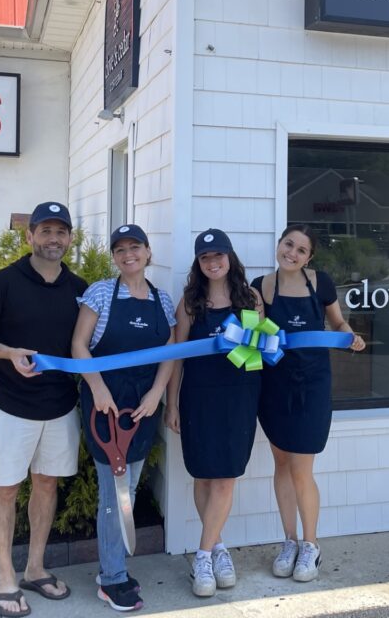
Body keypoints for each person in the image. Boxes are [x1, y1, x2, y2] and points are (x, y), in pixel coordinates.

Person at [0, 202, 87, 618]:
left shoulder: (80, 289)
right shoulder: (3, 283)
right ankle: (5, 577)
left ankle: (35, 567)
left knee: (47, 485)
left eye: (61, 232)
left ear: (70, 238)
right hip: (12, 405)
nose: (53, 239)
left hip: (60, 406)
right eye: (45, 231)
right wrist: (8, 353)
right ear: (30, 236)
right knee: (8, 488)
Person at [71, 224, 177, 613]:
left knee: (128, 489)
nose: (128, 254)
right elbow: (78, 345)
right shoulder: (100, 293)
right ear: (114, 257)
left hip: (143, 406)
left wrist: (156, 394)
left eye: (135, 247)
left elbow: (169, 351)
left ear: (148, 253)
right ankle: (112, 578)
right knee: (114, 495)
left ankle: (112, 569)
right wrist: (98, 389)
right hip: (106, 407)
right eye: (120, 249)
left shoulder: (162, 301)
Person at [251, 224, 365, 583]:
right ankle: (289, 541)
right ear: (278, 244)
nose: (293, 254)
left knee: (302, 468)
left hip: (312, 385)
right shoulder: (261, 287)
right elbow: (257, 336)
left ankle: (311, 545)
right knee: (281, 463)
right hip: (275, 386)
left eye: (301, 250)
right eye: (289, 245)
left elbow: (338, 322)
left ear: (309, 258)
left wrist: (350, 337)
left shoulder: (322, 283)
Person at [165, 229, 262, 598]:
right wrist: (172, 404)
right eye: (206, 257)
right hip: (198, 397)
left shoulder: (250, 297)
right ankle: (218, 546)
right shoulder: (189, 302)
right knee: (204, 476)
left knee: (225, 477)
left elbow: (257, 354)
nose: (214, 262)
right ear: (199, 263)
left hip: (239, 396)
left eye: (219, 254)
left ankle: (203, 555)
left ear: (230, 257)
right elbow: (176, 359)